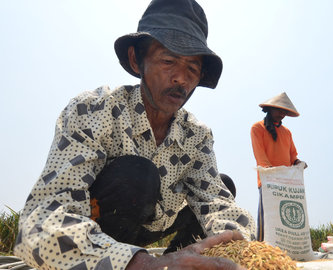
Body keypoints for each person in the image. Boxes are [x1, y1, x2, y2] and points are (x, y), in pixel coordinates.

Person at [14, 0, 255, 269]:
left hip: (153, 226)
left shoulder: (196, 136)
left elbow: (217, 202)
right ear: (135, 60)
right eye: (168, 60)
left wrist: (244, 249)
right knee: (137, 175)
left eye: (192, 68)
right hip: (101, 233)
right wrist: (140, 264)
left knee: (223, 188)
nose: (180, 79)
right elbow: (41, 220)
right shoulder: (94, 109)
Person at [250, 92, 307, 241]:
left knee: (286, 218)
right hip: (268, 180)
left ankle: (285, 248)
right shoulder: (257, 128)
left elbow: (292, 156)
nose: (282, 114)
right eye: (279, 110)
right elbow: (260, 156)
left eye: (285, 112)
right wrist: (272, 174)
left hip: (287, 183)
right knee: (266, 216)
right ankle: (262, 248)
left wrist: (298, 163)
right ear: (269, 109)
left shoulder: (287, 132)